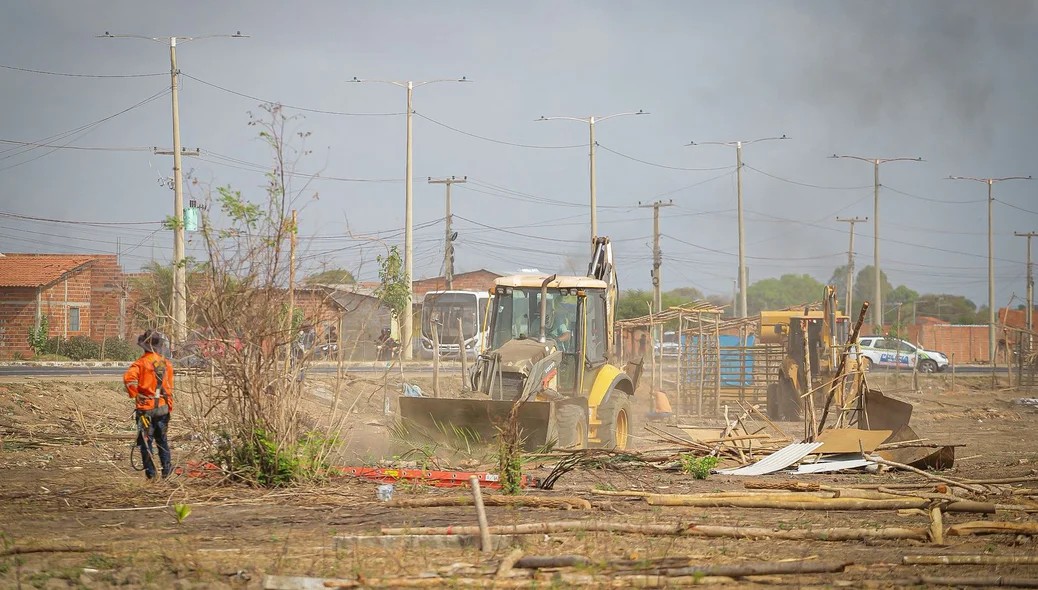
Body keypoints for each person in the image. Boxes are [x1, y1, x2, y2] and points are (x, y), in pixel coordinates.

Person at [124, 330, 175, 480]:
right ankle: (167, 471)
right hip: (163, 409)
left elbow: (128, 380)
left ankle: (151, 475)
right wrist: (168, 407)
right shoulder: (167, 364)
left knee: (146, 442)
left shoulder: (140, 363)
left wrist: (136, 394)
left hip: (146, 410)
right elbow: (169, 388)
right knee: (163, 441)